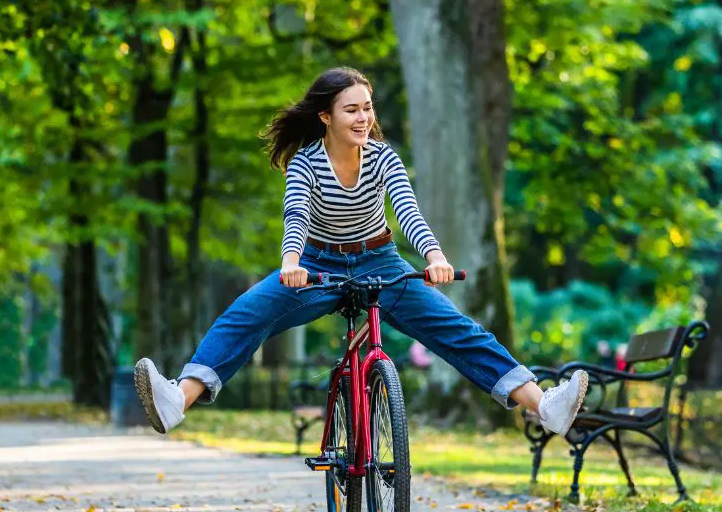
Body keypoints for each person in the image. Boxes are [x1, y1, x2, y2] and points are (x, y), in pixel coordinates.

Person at [133, 66, 588, 436]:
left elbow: (407, 213)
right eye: (351, 110)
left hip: (380, 262)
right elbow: (297, 217)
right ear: (326, 117)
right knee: (245, 314)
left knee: (457, 328)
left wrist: (433, 256)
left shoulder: (384, 158)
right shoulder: (306, 162)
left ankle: (543, 406)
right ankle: (179, 399)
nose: (362, 118)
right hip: (316, 266)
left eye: (367, 108)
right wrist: (290, 263)